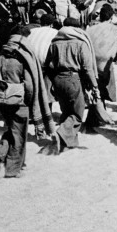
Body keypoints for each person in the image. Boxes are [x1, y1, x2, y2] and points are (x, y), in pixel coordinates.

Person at [0, 26, 56, 177]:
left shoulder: (3, 52)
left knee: (12, 129)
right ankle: (13, 169)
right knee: (19, 134)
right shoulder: (24, 56)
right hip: (19, 100)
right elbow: (30, 85)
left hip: (1, 97)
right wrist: (31, 102)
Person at [44, 17, 99, 150]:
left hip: (58, 79)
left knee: (66, 111)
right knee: (77, 113)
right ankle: (61, 133)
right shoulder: (80, 43)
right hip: (73, 79)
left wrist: (53, 82)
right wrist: (94, 85)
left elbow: (48, 65)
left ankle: (67, 144)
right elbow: (87, 68)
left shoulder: (54, 43)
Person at [84, 5, 117, 131]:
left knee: (95, 89)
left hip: (91, 64)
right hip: (105, 65)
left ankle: (97, 118)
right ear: (112, 16)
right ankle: (93, 122)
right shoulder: (116, 30)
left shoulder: (91, 29)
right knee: (100, 91)